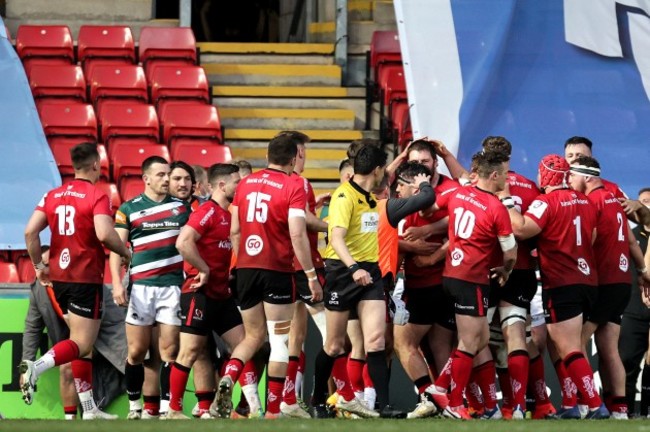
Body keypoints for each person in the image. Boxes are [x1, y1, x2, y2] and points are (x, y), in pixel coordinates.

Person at [312, 144, 435, 419]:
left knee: (377, 342)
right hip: (343, 273)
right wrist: (354, 267)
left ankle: (385, 405)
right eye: (384, 169)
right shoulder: (344, 197)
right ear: (377, 170)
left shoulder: (369, 197)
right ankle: (317, 398)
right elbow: (336, 238)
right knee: (334, 345)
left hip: (371, 274)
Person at [212, 134, 322, 419]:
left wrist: (243, 260)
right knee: (279, 340)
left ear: (268, 154)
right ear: (295, 156)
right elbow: (298, 232)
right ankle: (274, 410)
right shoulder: (293, 184)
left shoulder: (245, 183)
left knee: (253, 336)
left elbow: (235, 230)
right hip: (277, 269)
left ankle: (229, 377)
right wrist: (310, 275)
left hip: (246, 268)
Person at [21, 142, 131, 420]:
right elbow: (105, 234)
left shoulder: (53, 194)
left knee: (83, 343)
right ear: (96, 165)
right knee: (82, 343)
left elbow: (30, 232)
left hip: (60, 278)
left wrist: (38, 266)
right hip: (85, 277)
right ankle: (37, 367)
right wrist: (125, 252)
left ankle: (90, 409)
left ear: (73, 165)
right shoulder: (96, 195)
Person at [501, 154, 609, 419]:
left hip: (562, 282)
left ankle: (596, 405)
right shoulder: (584, 200)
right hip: (587, 281)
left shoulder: (544, 202)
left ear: (546, 175)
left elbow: (522, 229)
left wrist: (505, 201)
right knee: (570, 345)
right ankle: (574, 406)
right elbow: (592, 236)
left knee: (568, 347)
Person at [167, 163, 256, 419]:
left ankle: (247, 406)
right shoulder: (208, 211)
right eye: (237, 182)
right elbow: (183, 242)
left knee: (245, 345)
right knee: (190, 351)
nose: (240, 187)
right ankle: (173, 409)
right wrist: (203, 269)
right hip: (200, 293)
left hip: (222, 295)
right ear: (221, 185)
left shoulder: (230, 216)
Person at [568, 156, 650, 419]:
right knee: (609, 348)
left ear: (587, 177)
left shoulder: (592, 202)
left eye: (572, 176)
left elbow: (588, 239)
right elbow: (632, 241)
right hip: (621, 282)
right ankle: (620, 409)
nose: (569, 181)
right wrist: (643, 271)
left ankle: (587, 403)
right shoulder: (615, 201)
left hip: (602, 283)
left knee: (575, 341)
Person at [110, 156, 191, 419]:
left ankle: (168, 408)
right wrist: (116, 284)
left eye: (168, 174)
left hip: (172, 287)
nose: (167, 179)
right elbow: (116, 249)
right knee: (136, 351)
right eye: (161, 175)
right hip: (141, 288)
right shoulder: (129, 209)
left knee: (170, 350)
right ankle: (134, 407)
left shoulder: (182, 208)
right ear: (146, 179)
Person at [22, 248, 78, 420]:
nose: (41, 271)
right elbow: (32, 328)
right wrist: (25, 366)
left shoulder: (78, 281)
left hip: (100, 339)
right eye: (37, 266)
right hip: (72, 344)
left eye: (46, 265)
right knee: (68, 365)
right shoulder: (38, 290)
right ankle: (72, 422)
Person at [621, 187, 650, 415]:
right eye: (641, 202)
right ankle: (624, 411)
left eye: (649, 202)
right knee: (626, 363)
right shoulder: (629, 237)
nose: (644, 205)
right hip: (633, 310)